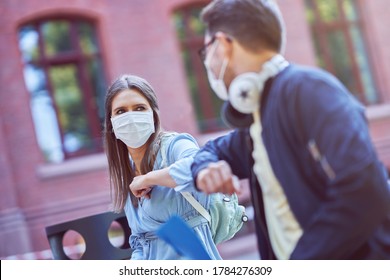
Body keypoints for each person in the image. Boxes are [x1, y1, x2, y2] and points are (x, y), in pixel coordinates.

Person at [191, 0, 390, 259]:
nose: (209, 63)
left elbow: (364, 189)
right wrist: (205, 168)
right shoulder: (258, 116)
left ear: (223, 44)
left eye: (207, 52)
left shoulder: (309, 89)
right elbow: (210, 151)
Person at [103, 74, 222, 260]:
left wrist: (149, 178)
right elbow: (140, 242)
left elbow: (200, 165)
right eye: (121, 112)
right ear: (111, 122)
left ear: (154, 114)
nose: (131, 117)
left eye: (139, 108)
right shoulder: (126, 170)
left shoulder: (174, 145)